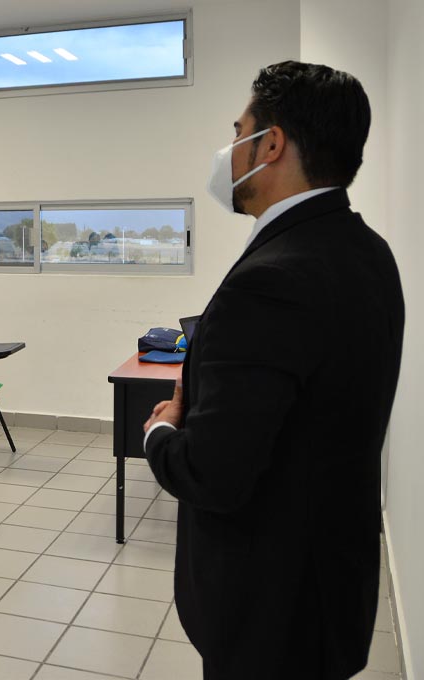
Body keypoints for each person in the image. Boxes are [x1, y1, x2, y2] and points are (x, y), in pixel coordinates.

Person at [142, 61, 404, 680]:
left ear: (273, 143)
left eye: (239, 131)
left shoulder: (270, 281)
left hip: (269, 614)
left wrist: (160, 430)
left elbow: (212, 475)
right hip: (330, 590)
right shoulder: (368, 252)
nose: (229, 150)